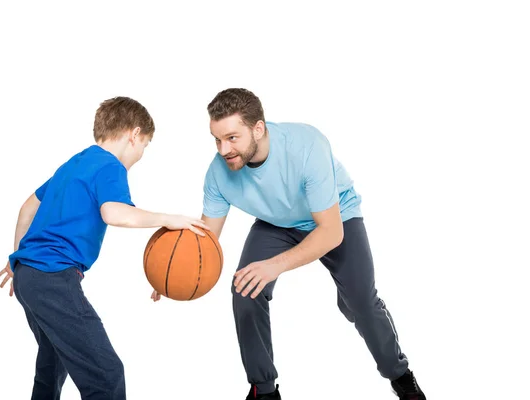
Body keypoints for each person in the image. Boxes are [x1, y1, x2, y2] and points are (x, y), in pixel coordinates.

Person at [153, 88, 426, 400]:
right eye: (216, 139)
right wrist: (172, 272)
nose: (223, 149)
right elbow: (207, 239)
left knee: (361, 303)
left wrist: (274, 266)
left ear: (258, 128)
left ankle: (399, 373)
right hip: (277, 224)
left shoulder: (307, 146)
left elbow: (330, 233)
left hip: (334, 217)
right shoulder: (218, 173)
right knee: (245, 287)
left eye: (232, 138)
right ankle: (264, 389)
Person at [0, 96, 209, 400]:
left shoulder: (75, 162)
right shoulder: (110, 167)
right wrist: (169, 218)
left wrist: (18, 258)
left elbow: (27, 208)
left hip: (29, 279)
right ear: (134, 134)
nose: (140, 155)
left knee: (52, 364)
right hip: (53, 279)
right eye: (144, 146)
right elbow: (115, 213)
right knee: (106, 375)